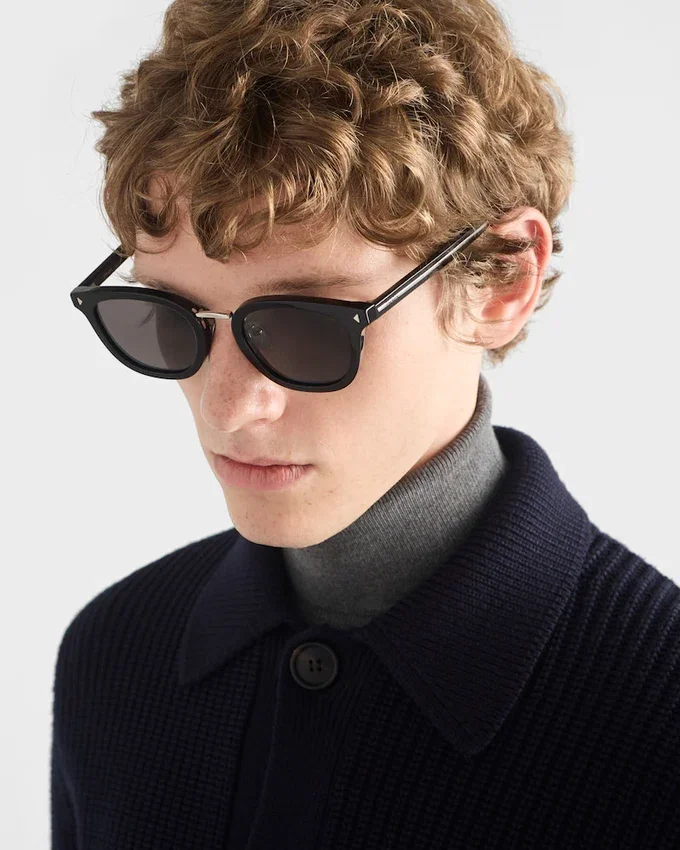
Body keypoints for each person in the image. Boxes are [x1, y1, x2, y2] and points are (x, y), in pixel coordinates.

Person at [52, 0, 680, 847]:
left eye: (307, 327)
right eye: (169, 319)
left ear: (503, 280)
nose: (228, 405)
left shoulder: (655, 716)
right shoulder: (114, 657)